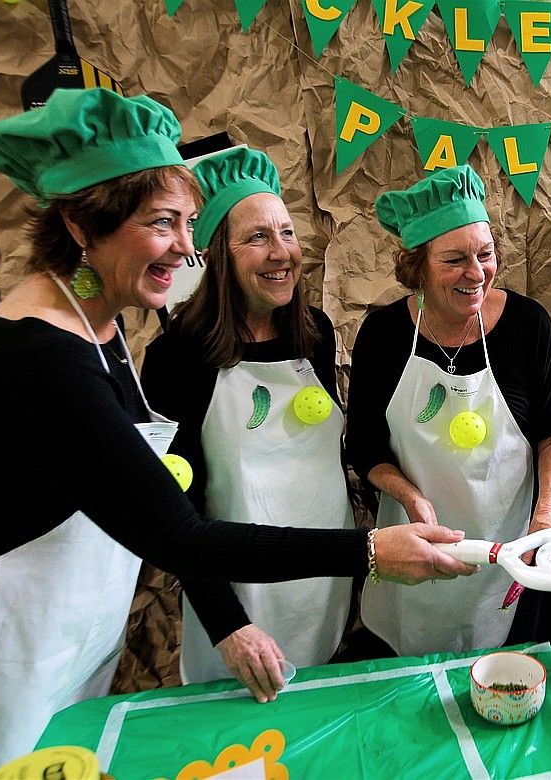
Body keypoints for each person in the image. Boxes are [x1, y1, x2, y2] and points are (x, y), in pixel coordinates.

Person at [0, 88, 474, 780]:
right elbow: (177, 530)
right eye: (164, 224)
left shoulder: (98, 327)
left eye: (188, 225)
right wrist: (368, 549)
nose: (187, 249)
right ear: (80, 224)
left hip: (67, 640)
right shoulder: (36, 357)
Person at [141, 147, 353, 686]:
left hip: (323, 578)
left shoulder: (316, 332)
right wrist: (227, 625)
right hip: (238, 597)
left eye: (286, 232)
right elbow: (173, 512)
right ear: (216, 253)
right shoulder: (178, 357)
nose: (281, 252)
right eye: (257, 237)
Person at [346, 164, 551, 657]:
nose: (477, 274)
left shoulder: (528, 326)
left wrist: (546, 518)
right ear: (418, 267)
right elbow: (364, 447)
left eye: (486, 254)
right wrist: (409, 495)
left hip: (511, 557)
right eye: (454, 260)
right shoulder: (383, 336)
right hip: (414, 554)